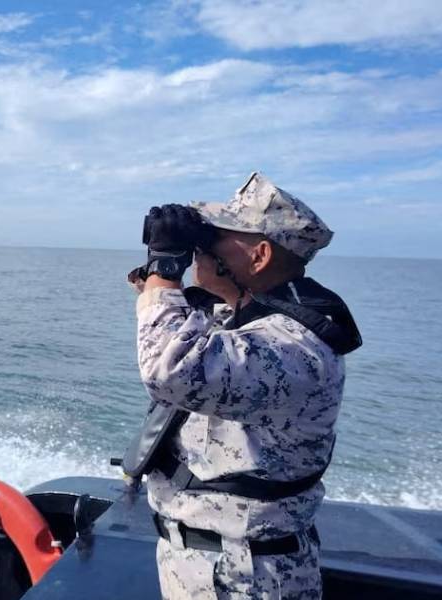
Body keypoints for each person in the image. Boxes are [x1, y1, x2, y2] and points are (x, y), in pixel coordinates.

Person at [123, 172, 362, 599]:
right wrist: (163, 274)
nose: (203, 247)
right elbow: (168, 317)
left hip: (248, 579)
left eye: (215, 236)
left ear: (260, 255)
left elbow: (168, 369)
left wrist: (166, 267)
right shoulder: (240, 320)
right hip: (206, 564)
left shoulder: (294, 345)